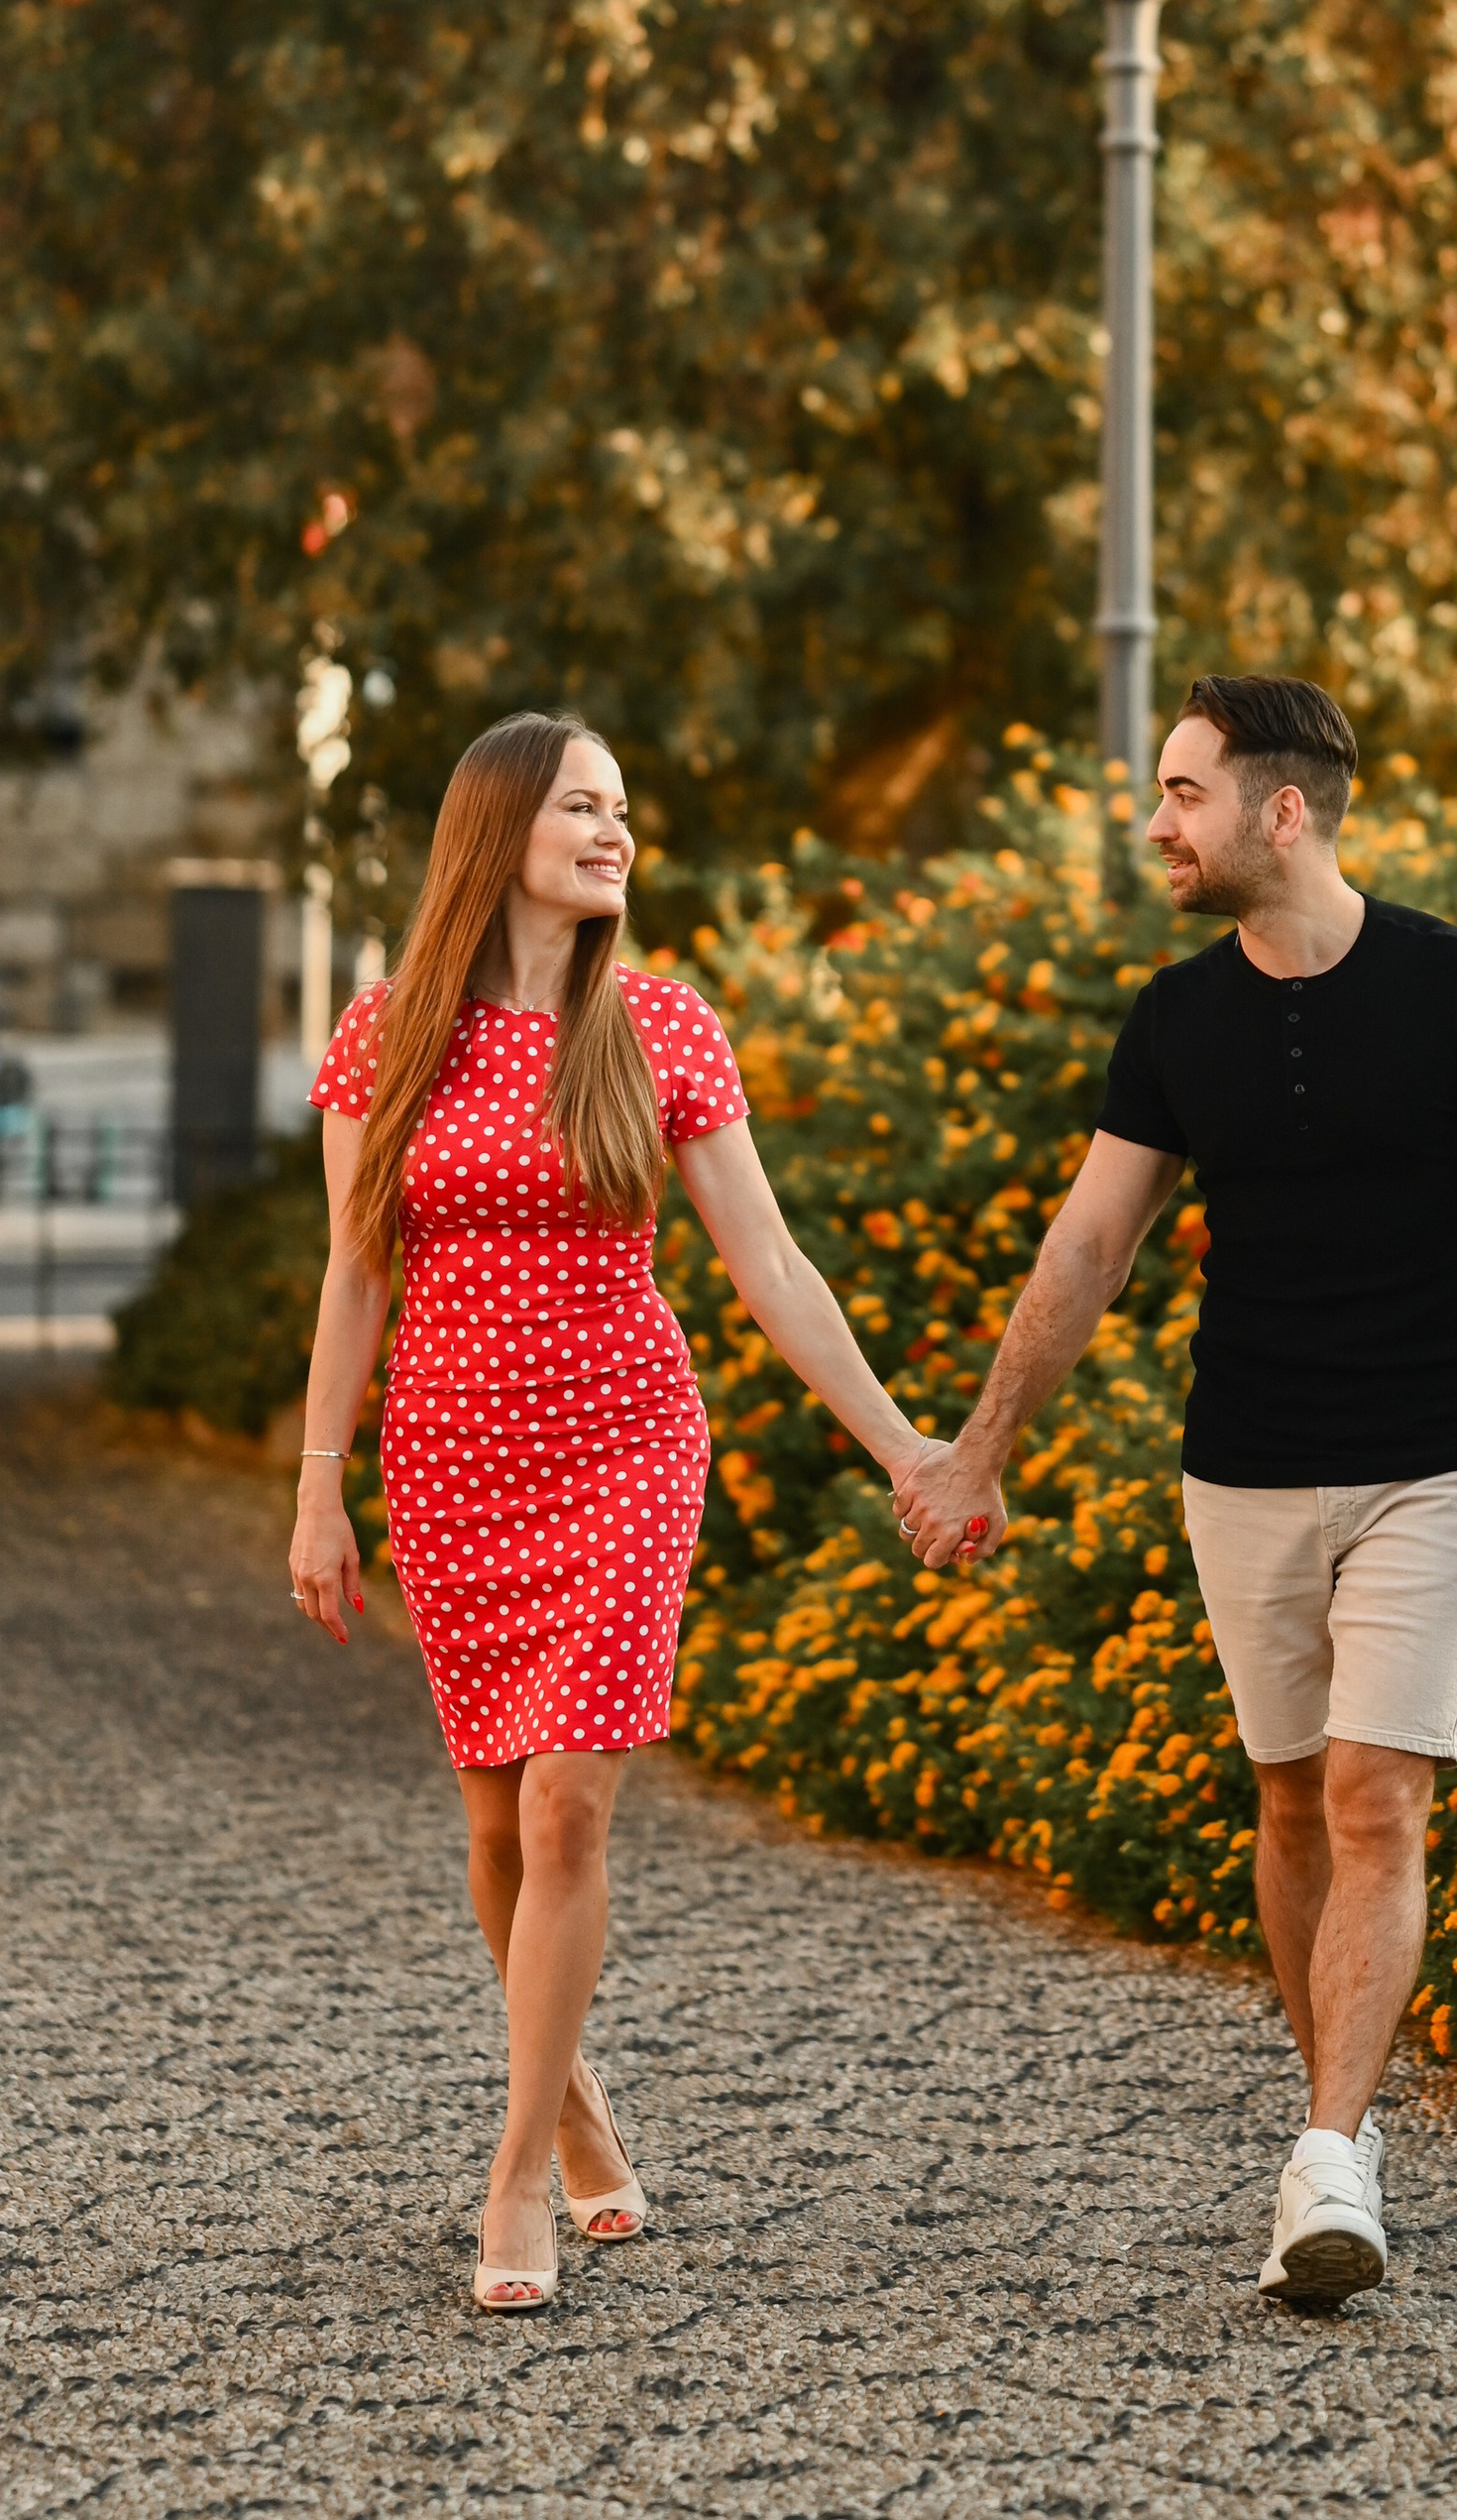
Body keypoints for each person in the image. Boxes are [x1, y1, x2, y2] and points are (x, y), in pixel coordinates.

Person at [895, 672, 1457, 2305]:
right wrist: (977, 1450)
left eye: (1182, 792)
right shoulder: (1176, 1019)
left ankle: (1332, 2151)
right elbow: (1092, 1245)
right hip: (1243, 1470)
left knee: (1378, 1797)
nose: (1158, 823)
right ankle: (1331, 2134)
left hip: (1433, 1460)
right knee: (1292, 1801)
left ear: (1281, 811)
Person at [285, 709, 940, 2315]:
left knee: (571, 1804)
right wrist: (319, 1481)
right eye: (583, 804)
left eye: (623, 809)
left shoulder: (661, 1028)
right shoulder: (385, 1039)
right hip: (449, 1465)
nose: (614, 830)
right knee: (497, 1826)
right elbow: (356, 1273)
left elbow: (769, 1268)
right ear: (497, 825)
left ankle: (513, 2171)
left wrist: (906, 1447)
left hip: (623, 1448)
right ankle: (569, 2103)